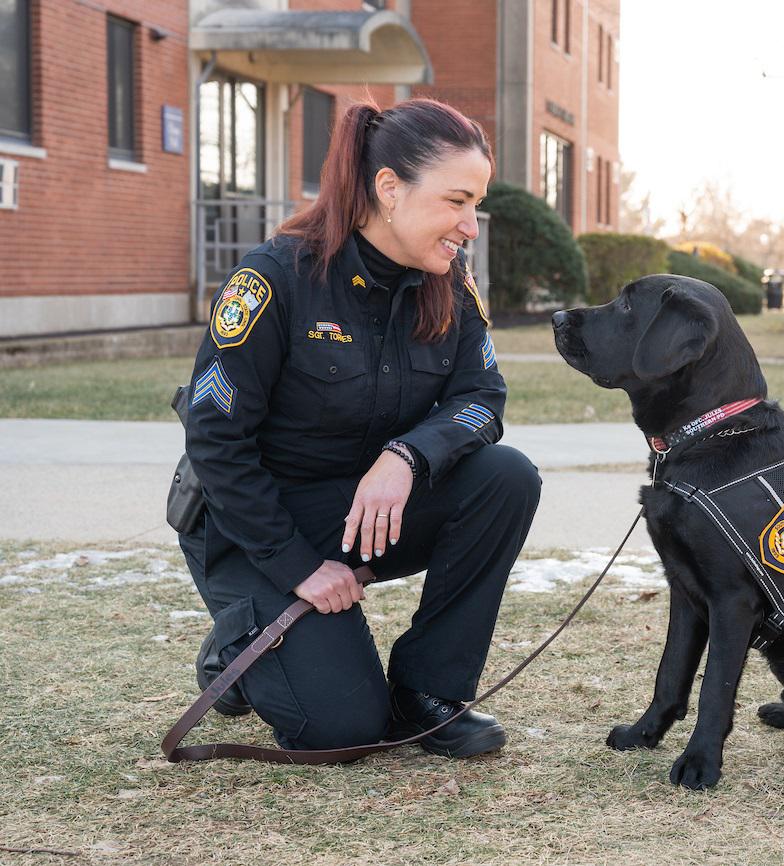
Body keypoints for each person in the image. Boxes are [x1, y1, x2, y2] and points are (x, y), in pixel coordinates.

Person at [178, 98, 541, 757]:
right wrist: (297, 567)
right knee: (340, 730)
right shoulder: (275, 279)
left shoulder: (449, 284)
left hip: (360, 509)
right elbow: (215, 441)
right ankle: (238, 645)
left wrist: (407, 455)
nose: (471, 226)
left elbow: (483, 397)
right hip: (253, 523)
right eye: (457, 201)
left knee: (505, 477)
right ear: (389, 189)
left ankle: (425, 693)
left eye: (476, 203)